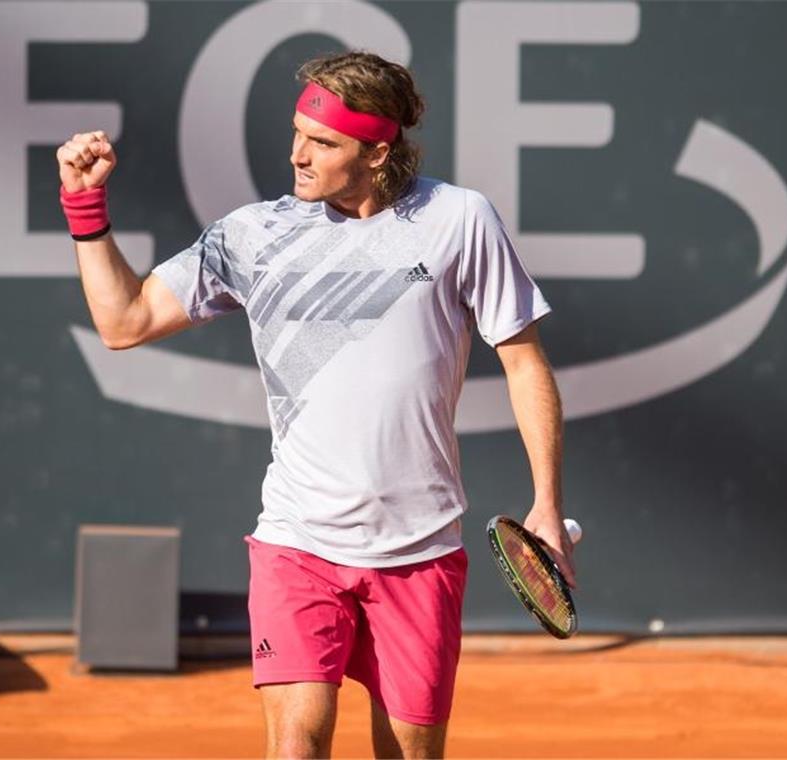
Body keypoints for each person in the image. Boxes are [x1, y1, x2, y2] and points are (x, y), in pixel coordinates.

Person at [56, 50, 575, 759]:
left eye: (323, 142)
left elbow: (524, 364)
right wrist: (86, 208)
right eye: (297, 131)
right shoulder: (254, 235)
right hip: (298, 543)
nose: (297, 154)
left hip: (419, 553)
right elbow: (125, 322)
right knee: (297, 743)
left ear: (378, 150)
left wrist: (546, 499)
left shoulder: (459, 221)